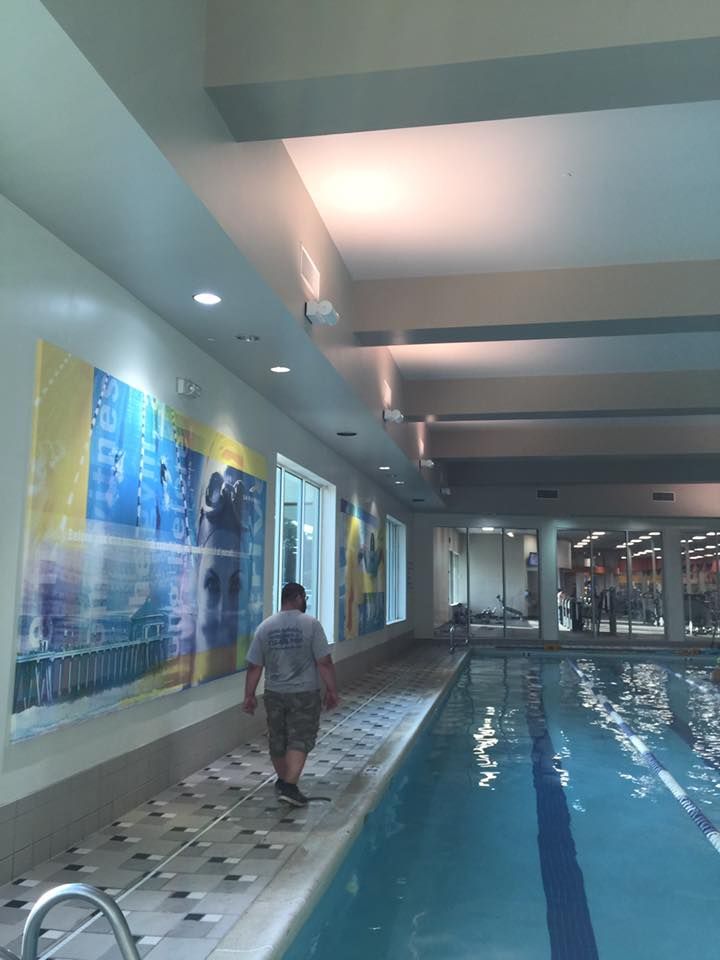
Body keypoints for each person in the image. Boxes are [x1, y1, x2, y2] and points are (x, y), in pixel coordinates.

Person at [243, 582, 339, 806]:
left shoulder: (265, 627)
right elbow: (323, 662)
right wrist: (332, 690)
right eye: (304, 597)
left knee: (278, 739)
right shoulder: (311, 625)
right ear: (297, 597)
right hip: (304, 693)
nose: (305, 602)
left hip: (274, 693)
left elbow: (254, 666)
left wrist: (248, 695)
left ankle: (283, 782)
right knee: (300, 738)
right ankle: (289, 785)